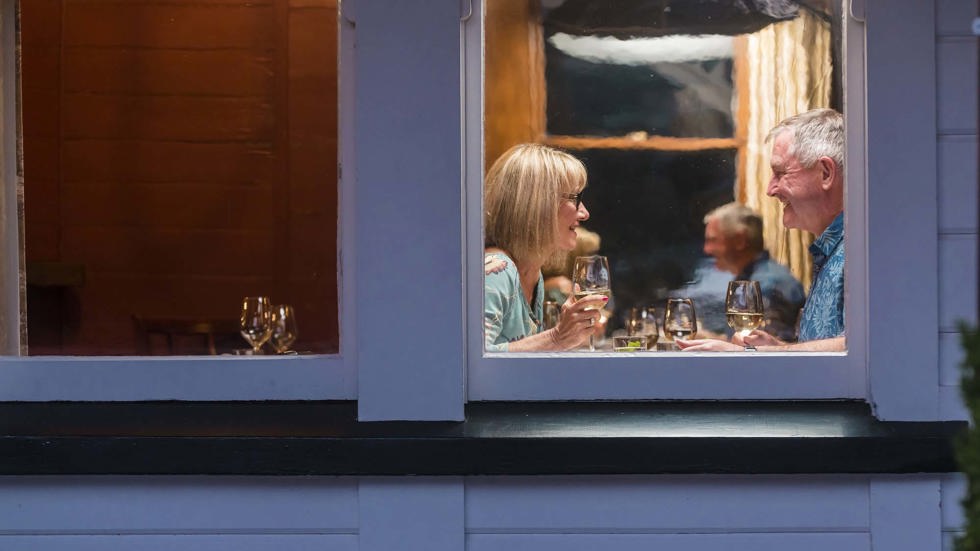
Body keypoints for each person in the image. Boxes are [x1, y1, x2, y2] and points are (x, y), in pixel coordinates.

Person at [679, 108, 846, 352]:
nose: (770, 189)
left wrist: (764, 353)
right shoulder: (835, 250)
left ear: (825, 173)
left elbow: (869, 347)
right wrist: (778, 347)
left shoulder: (865, 250)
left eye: (780, 172)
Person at [484, 143, 608, 352]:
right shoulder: (498, 270)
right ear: (539, 204)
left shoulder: (533, 273)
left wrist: (568, 337)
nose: (584, 213)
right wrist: (556, 338)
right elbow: (469, 363)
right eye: (575, 198)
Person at [702, 202, 805, 342]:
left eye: (713, 240)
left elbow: (760, 348)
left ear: (740, 240)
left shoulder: (768, 283)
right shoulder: (754, 277)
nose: (707, 249)